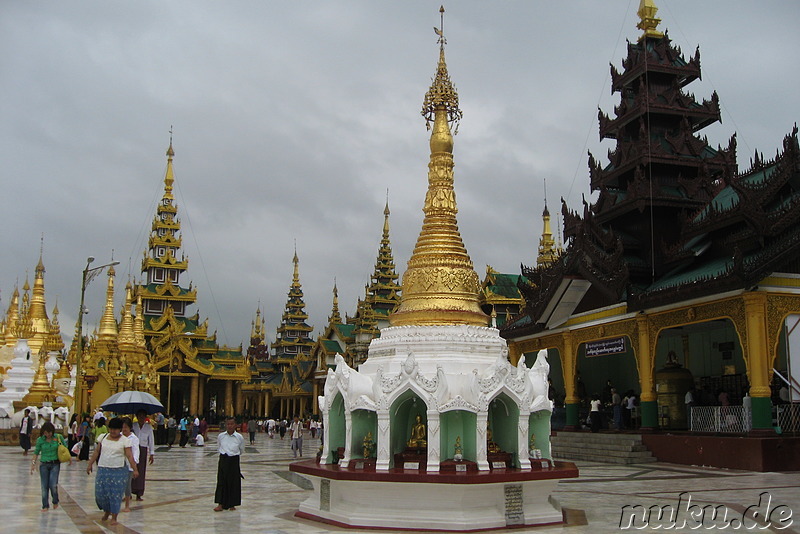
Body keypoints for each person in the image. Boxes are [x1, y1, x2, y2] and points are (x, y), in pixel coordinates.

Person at [87, 417, 139, 526]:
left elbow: (129, 456)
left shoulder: (125, 441)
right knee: (101, 494)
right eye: (111, 429)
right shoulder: (103, 437)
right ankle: (106, 511)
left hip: (118, 470)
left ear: (120, 429)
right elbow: (97, 452)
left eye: (115, 429)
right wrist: (90, 463)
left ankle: (114, 516)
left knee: (115, 494)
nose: (112, 431)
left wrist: (135, 469)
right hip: (103, 469)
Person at [30, 421, 68, 511]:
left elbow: (64, 448)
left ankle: (55, 500)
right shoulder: (40, 440)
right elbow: (36, 452)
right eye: (46, 433)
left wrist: (68, 458)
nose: (48, 435)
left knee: (53, 484)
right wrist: (33, 463)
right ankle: (45, 505)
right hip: (44, 464)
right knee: (44, 486)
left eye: (50, 432)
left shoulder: (58, 437)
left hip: (55, 464)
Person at [214, 417, 245, 512]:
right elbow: (219, 446)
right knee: (221, 481)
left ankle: (232, 504)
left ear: (235, 425)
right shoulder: (221, 436)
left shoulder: (239, 437)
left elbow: (241, 449)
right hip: (223, 458)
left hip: (234, 460)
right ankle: (220, 503)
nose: (230, 426)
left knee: (234, 482)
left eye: (232, 424)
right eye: (228, 424)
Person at [132, 409, 155, 501]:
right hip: (133, 449)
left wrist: (152, 453)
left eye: (143, 416)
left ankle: (139, 492)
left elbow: (151, 440)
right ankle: (129, 491)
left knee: (141, 471)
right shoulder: (133, 426)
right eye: (139, 416)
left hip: (143, 449)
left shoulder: (148, 427)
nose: (141, 418)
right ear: (136, 417)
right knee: (132, 469)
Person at [120, 417, 140, 513]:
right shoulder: (119, 436)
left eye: (126, 427)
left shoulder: (134, 439)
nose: (124, 429)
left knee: (127, 485)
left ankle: (127, 505)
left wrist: (134, 464)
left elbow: (136, 452)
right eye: (122, 427)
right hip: (118, 463)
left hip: (129, 464)